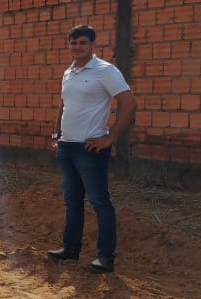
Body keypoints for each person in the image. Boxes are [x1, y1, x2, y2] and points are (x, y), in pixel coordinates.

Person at [47, 25, 137, 273]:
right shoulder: (69, 72)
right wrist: (56, 135)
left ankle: (105, 258)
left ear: (92, 45)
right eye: (73, 43)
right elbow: (63, 105)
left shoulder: (105, 71)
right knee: (72, 201)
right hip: (67, 147)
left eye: (82, 43)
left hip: (90, 149)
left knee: (100, 202)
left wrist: (110, 137)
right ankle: (70, 249)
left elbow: (129, 102)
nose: (77, 47)